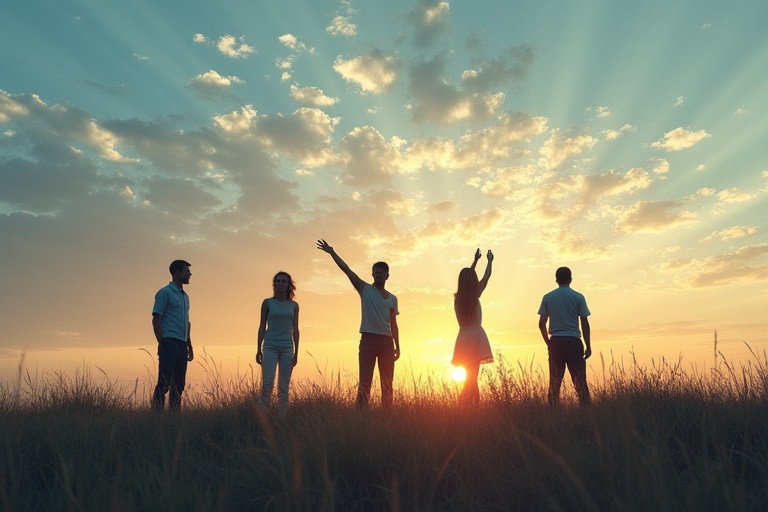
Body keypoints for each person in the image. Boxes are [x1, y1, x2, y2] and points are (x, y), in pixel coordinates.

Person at [316, 239, 400, 408]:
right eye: (376, 272)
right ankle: (361, 417)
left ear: (387, 276)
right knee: (365, 383)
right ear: (372, 274)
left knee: (387, 384)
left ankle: (388, 417)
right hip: (368, 341)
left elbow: (394, 324)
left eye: (382, 273)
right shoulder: (365, 289)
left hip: (386, 343)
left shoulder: (392, 298)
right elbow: (347, 270)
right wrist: (332, 252)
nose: (378, 275)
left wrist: (398, 346)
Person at [537, 266, 592, 407]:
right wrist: (588, 345)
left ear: (556, 280)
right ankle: (586, 414)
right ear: (571, 279)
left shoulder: (548, 297)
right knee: (580, 383)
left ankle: (554, 416)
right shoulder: (578, 297)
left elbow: (541, 323)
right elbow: (584, 323)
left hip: (556, 342)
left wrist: (548, 342)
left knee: (554, 384)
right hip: (574, 342)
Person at [452, 248, 494, 405]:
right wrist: (489, 261)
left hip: (463, 338)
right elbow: (487, 277)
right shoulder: (475, 294)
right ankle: (472, 405)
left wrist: (475, 261)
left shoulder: (458, 299)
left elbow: (467, 279)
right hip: (476, 337)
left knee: (469, 377)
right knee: (473, 376)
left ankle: (465, 404)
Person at [152, 259, 194, 411]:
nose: (190, 274)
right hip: (169, 341)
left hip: (182, 344)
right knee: (164, 382)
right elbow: (156, 318)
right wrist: (162, 342)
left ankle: (174, 417)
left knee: (179, 385)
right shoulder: (165, 293)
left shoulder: (185, 297)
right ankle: (156, 416)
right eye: (186, 271)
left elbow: (186, 323)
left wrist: (189, 344)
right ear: (177, 273)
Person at [256, 271, 300, 418]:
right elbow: (262, 326)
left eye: (283, 281)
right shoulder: (268, 303)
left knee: (283, 388)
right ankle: (262, 419)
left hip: (287, 349)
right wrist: (258, 349)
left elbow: (295, 329)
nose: (280, 284)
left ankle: (281, 419)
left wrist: (296, 353)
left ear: (288, 285)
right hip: (270, 347)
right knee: (267, 385)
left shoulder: (294, 305)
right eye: (278, 281)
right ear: (274, 284)